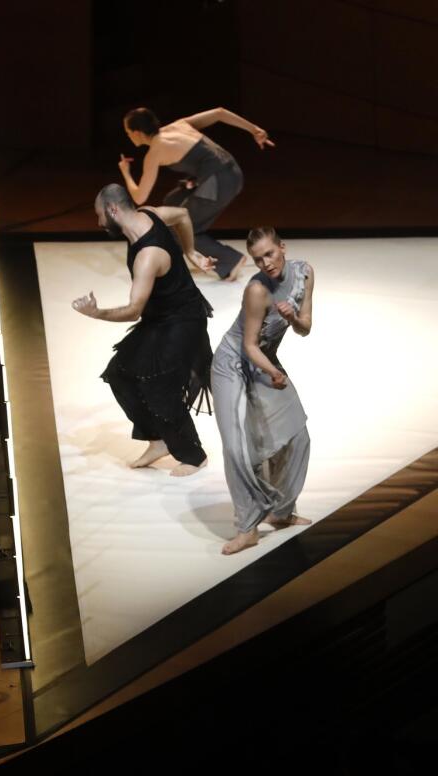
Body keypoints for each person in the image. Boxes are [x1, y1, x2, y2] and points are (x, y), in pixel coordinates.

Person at [72, 184, 213, 476]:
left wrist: (96, 313)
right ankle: (158, 440)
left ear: (113, 210)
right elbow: (183, 215)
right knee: (121, 374)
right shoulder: (148, 214)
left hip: (183, 321)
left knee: (159, 387)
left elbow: (133, 309)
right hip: (161, 317)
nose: (99, 223)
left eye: (100, 215)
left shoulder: (147, 256)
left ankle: (193, 455)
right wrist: (190, 251)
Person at [213, 227, 314, 555]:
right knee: (237, 446)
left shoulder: (304, 273)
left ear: (283, 247)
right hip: (233, 364)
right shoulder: (257, 290)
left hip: (264, 361)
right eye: (258, 259)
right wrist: (273, 373)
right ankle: (247, 527)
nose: (266, 263)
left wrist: (293, 315)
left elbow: (305, 328)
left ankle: (281, 511)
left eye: (269, 254)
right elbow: (248, 345)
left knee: (297, 436)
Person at [119, 106, 274, 280]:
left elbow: (140, 197)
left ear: (138, 133)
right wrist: (254, 129)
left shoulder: (155, 152)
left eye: (128, 132)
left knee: (183, 227)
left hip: (220, 183)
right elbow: (219, 113)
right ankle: (172, 255)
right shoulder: (179, 125)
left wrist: (126, 172)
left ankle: (230, 260)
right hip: (231, 173)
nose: (128, 136)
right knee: (173, 202)